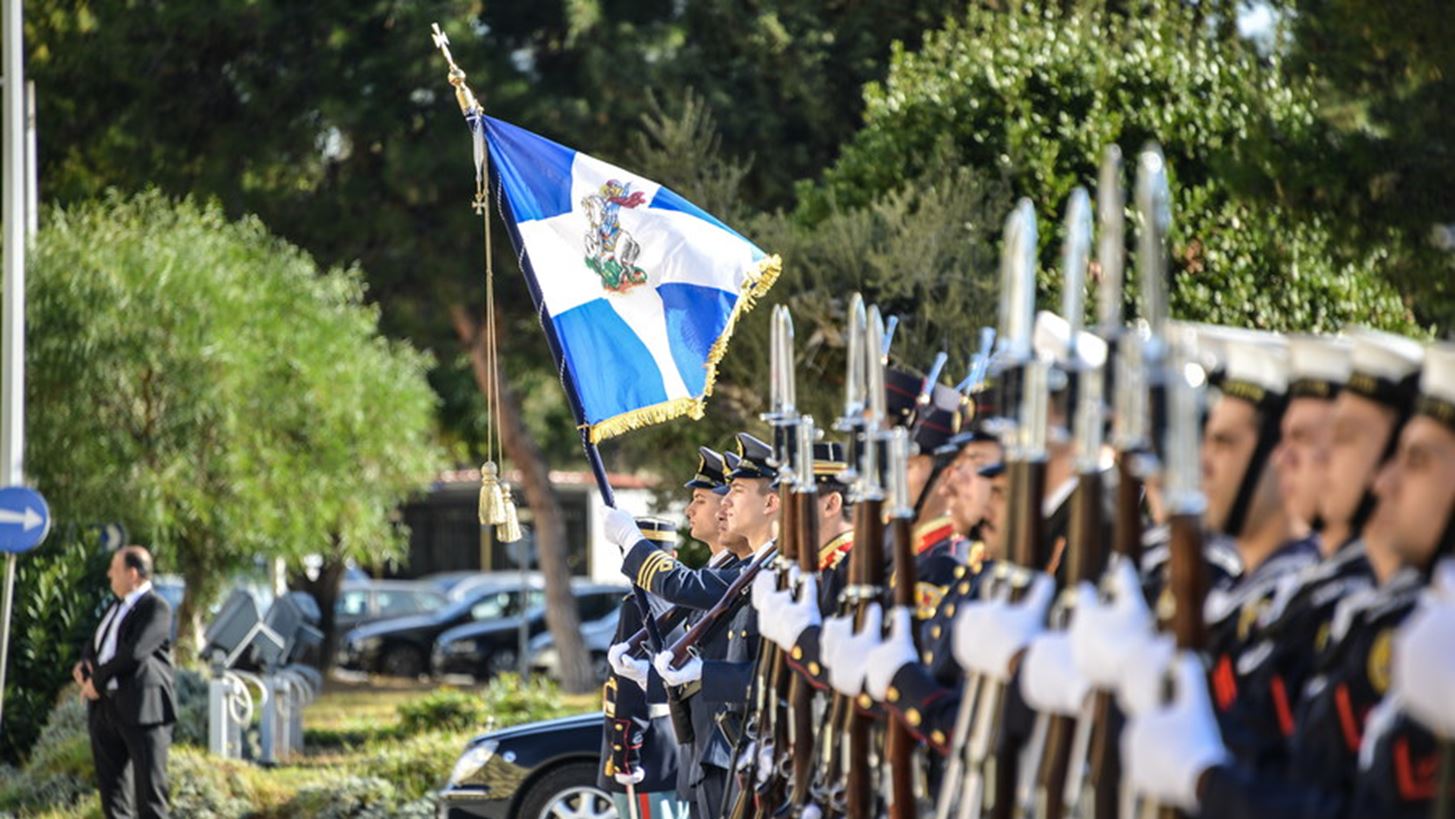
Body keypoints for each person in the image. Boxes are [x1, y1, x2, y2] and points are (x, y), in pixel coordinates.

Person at [76, 545, 176, 819]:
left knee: (150, 797)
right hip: (106, 709)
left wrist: (96, 681)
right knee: (113, 798)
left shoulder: (156, 607)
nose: (109, 574)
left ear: (133, 574)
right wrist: (84, 664)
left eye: (114, 568)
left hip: (143, 710)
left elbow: (134, 652)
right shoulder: (115, 606)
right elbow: (98, 644)